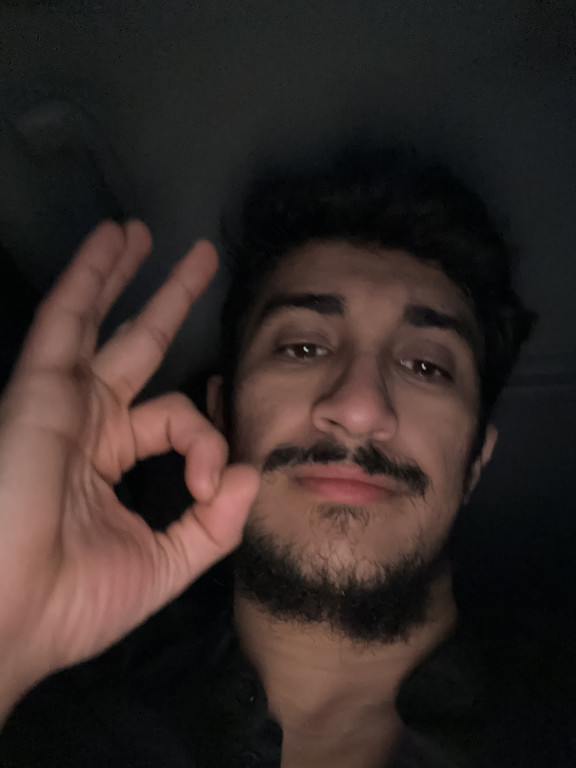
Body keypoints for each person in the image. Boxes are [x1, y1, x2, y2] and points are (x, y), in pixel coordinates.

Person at [0, 145, 569, 767]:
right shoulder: (54, 721)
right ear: (223, 416)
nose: (358, 409)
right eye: (302, 348)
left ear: (476, 461)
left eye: (426, 366)